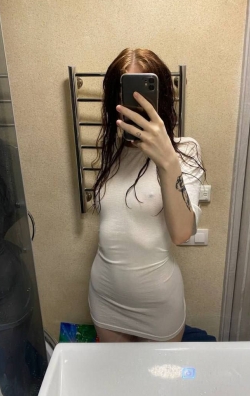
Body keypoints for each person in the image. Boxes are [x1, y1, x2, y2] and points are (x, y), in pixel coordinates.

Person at [88, 48, 205, 343]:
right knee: (117, 374)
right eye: (127, 94)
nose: (136, 105)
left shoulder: (184, 150)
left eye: (144, 94)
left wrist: (167, 161)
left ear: (160, 96)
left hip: (158, 307)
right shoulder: (112, 153)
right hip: (105, 300)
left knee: (161, 375)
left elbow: (181, 233)